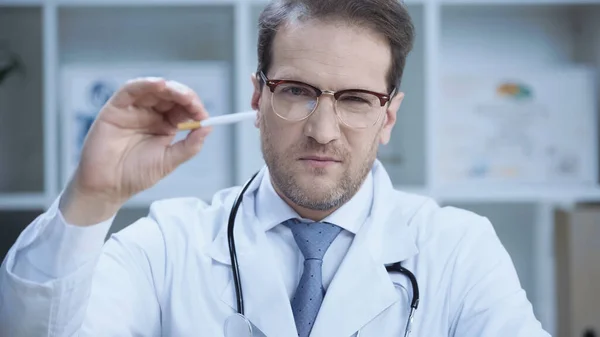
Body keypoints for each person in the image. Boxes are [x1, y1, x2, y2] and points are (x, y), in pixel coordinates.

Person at [0, 0, 551, 336]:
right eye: (296, 91)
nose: (323, 130)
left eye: (356, 99)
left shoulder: (458, 249)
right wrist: (92, 196)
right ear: (258, 99)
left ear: (389, 116)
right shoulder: (168, 245)